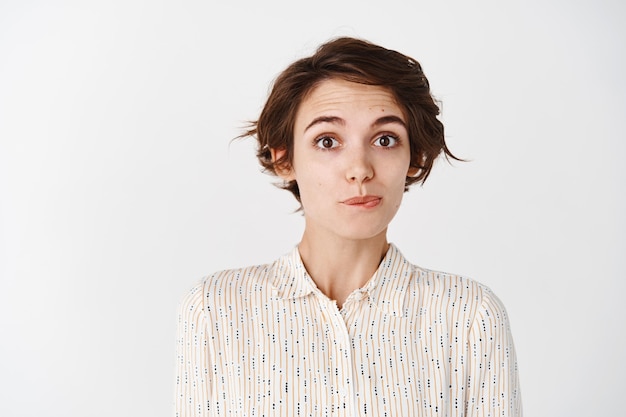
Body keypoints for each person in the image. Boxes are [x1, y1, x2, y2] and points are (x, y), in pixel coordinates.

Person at [174, 37, 522, 416]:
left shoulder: (469, 316)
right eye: (327, 141)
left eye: (385, 139)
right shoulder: (215, 310)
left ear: (414, 156)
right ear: (284, 158)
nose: (360, 169)